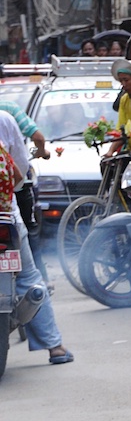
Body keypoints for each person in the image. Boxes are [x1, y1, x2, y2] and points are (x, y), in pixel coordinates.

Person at [0, 110, 73, 364]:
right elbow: (19, 174)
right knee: (29, 277)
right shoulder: (5, 119)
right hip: (7, 218)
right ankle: (55, 347)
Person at [0, 100, 51, 287]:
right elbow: (19, 171)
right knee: (29, 233)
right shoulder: (8, 112)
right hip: (12, 198)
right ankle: (43, 280)